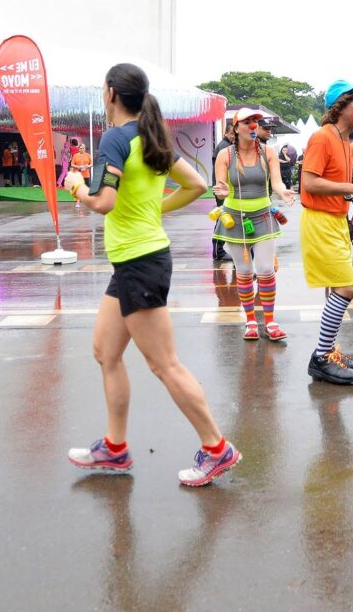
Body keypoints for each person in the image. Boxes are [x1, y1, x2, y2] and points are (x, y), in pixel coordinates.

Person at [63, 63, 241, 487]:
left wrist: (75, 186)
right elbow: (197, 184)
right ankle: (115, 447)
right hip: (134, 261)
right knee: (105, 351)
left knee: (165, 365)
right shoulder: (150, 136)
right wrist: (150, 209)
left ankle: (218, 449)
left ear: (110, 93)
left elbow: (103, 202)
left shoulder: (114, 138)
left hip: (140, 262)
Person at [299, 79, 353, 384]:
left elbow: (351, 152)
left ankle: (329, 351)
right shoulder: (322, 138)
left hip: (336, 220)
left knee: (338, 289)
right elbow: (308, 183)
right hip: (321, 221)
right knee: (347, 288)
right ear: (340, 107)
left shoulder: (338, 139)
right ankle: (321, 357)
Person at [212, 108, 296, 341]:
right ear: (236, 127)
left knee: (266, 270)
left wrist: (284, 192)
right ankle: (250, 321)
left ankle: (269, 321)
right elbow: (221, 186)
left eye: (255, 122)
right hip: (234, 218)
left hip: (263, 216)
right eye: (247, 122)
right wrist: (223, 190)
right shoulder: (225, 155)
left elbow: (276, 183)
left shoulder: (267, 152)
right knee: (245, 271)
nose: (252, 126)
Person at [211, 122, 235, 261]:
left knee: (225, 219)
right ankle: (218, 251)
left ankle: (219, 250)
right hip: (223, 190)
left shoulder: (226, 146)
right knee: (223, 219)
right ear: (226, 133)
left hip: (224, 189)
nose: (234, 136)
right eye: (232, 133)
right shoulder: (224, 147)